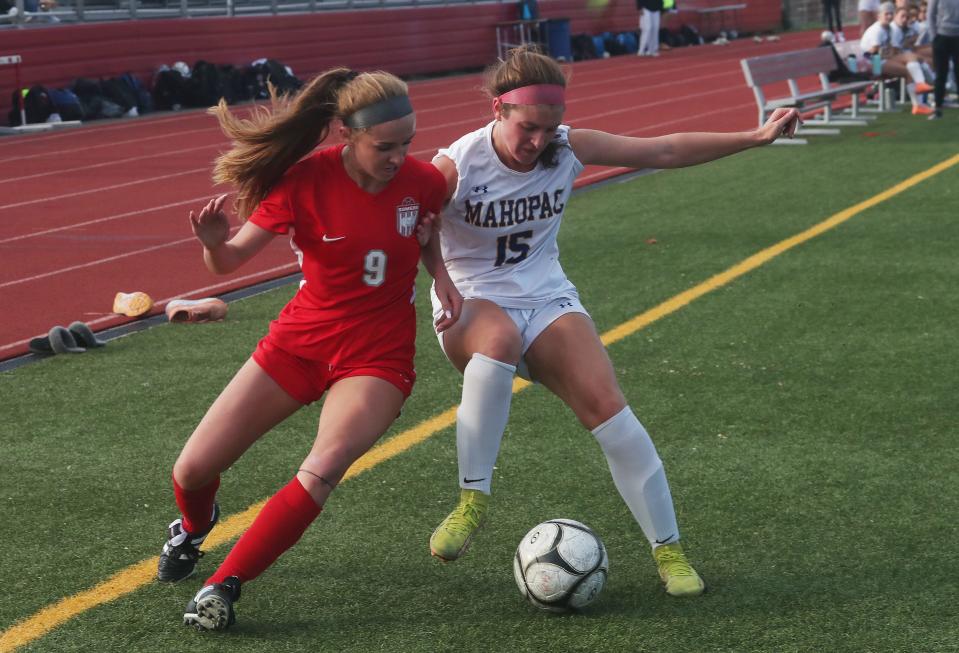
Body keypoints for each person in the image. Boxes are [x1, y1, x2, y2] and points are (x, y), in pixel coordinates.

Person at [426, 45, 800, 598]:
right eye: (527, 128)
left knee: (611, 410)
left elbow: (664, 149)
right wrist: (439, 277)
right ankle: (472, 500)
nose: (538, 143)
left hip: (548, 295)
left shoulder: (567, 145)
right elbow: (412, 217)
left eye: (548, 131)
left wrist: (754, 136)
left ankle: (668, 549)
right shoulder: (457, 164)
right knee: (499, 340)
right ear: (498, 111)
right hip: (474, 300)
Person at [156, 67, 462, 631]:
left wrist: (439, 274)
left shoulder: (426, 181)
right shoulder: (302, 181)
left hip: (378, 357)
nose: (398, 158)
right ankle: (195, 530)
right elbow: (229, 263)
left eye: (407, 144)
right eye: (384, 146)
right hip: (299, 343)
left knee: (322, 469)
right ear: (346, 132)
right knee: (193, 469)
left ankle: (224, 585)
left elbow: (427, 228)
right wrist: (213, 246)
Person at [861, 2, 936, 114]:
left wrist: (893, 55)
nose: (889, 17)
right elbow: (871, 54)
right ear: (879, 16)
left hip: (882, 59)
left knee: (912, 62)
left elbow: (891, 50)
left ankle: (921, 100)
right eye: (886, 14)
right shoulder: (877, 30)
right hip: (872, 63)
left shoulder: (888, 28)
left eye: (891, 14)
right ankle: (928, 90)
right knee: (910, 63)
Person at [928, 0, 959, 118]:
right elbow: (930, 15)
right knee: (941, 75)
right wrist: (934, 37)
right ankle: (938, 109)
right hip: (941, 37)